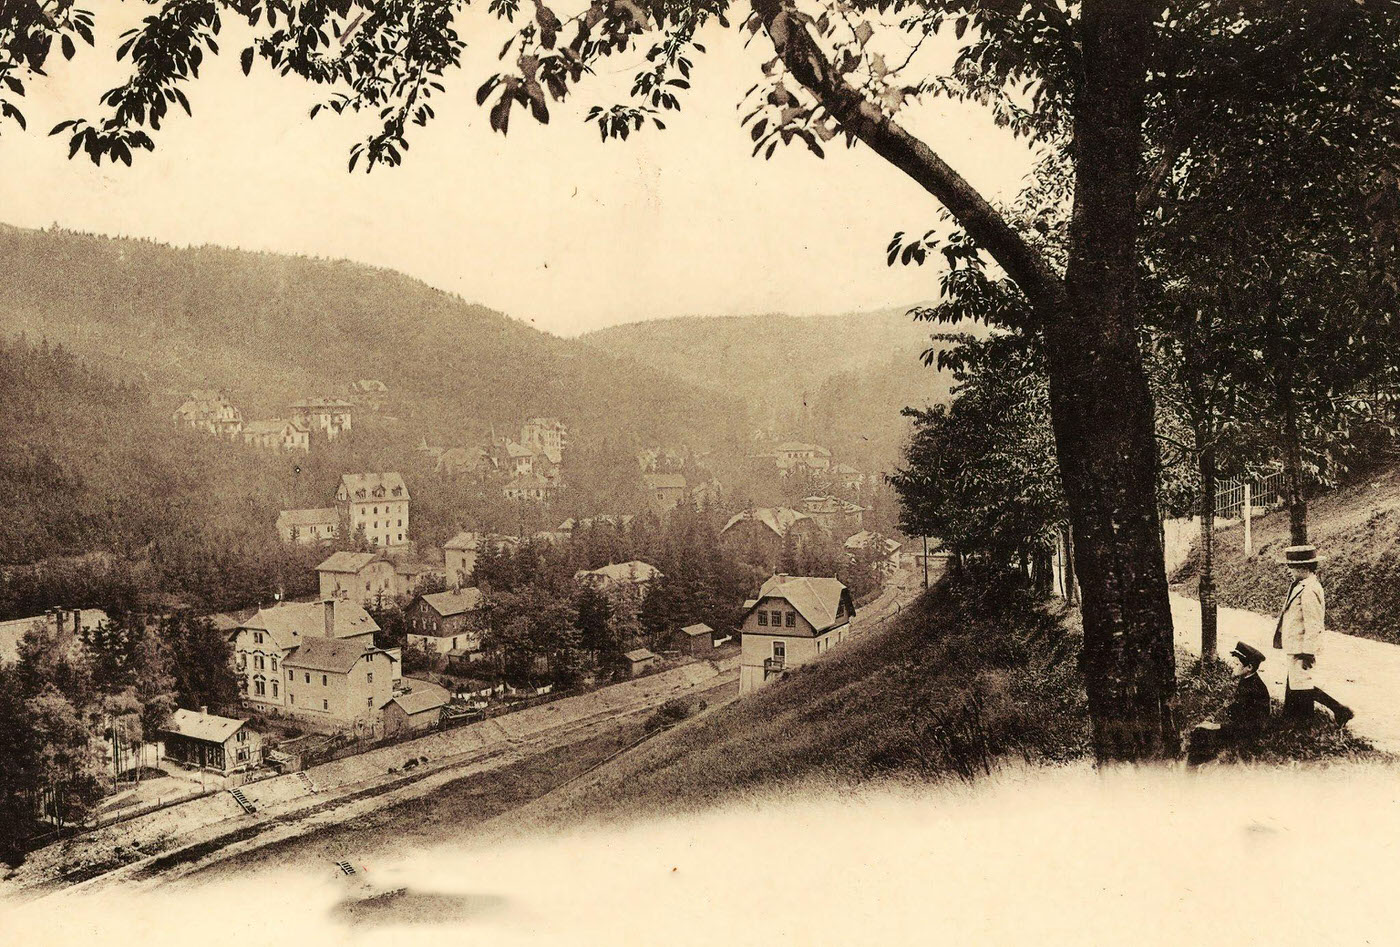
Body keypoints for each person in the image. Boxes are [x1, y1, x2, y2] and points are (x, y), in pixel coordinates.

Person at [1272, 544, 1353, 727]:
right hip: (1295, 644)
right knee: (1296, 681)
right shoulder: (1301, 585)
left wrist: (1308, 651)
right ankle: (1291, 716)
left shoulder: (1309, 589)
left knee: (1302, 684)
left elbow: (1314, 623)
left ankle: (1338, 711)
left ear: (1304, 568)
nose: (1290, 571)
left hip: (1302, 646)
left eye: (1292, 567)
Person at [1187, 640, 1271, 765]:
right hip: (1241, 728)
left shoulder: (1255, 688)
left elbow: (1252, 725)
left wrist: (1218, 726)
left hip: (1248, 735)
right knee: (1202, 730)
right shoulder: (1247, 679)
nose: (1232, 666)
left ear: (1249, 667)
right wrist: (1216, 718)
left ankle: (1193, 770)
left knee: (1201, 734)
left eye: (1236, 664)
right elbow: (1239, 709)